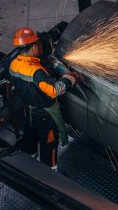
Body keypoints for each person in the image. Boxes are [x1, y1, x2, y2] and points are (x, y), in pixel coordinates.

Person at [8, 27, 77, 170]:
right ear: (33, 46)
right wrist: (68, 79)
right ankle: (50, 170)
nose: (40, 47)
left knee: (30, 134)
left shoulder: (14, 64)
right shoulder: (36, 72)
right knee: (49, 143)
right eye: (38, 45)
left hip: (28, 109)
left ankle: (30, 157)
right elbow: (53, 90)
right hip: (45, 115)